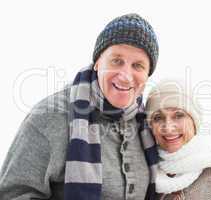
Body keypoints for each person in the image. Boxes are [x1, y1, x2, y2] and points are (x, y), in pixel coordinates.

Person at [0, 13, 160, 200]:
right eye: (117, 61)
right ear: (98, 62)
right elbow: (13, 194)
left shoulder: (147, 124)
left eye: (138, 66)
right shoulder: (51, 116)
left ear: (148, 74)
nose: (125, 75)